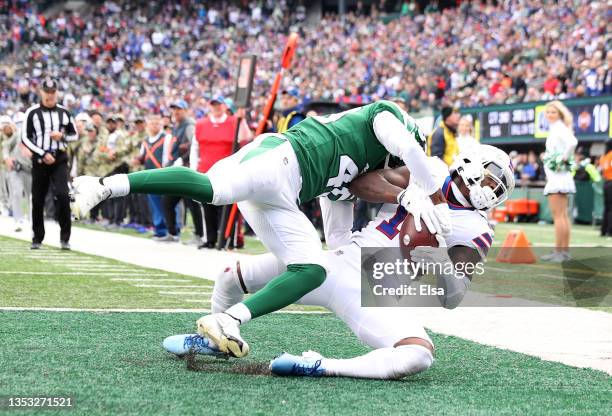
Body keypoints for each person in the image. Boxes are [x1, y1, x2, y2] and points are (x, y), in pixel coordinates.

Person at [72, 100, 452, 358]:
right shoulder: (388, 118)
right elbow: (412, 150)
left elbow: (338, 229)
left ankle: (225, 323)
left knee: (313, 269)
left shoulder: (358, 173)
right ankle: (105, 185)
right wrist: (427, 196)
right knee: (214, 190)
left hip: (284, 197)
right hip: (280, 157)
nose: (403, 173)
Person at [163, 145, 515, 379]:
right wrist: (407, 196)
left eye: (500, 187)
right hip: (339, 262)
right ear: (468, 165)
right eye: (490, 177)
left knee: (418, 355)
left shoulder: (477, 228)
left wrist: (437, 259)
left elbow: (453, 296)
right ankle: (215, 339)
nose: (493, 190)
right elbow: (363, 182)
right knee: (229, 276)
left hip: (377, 289)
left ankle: (318, 365)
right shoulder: (429, 172)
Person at [21, 77, 77, 250]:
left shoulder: (64, 112)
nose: (50, 96)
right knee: (38, 199)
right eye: (47, 92)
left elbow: (74, 135)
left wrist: (62, 137)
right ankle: (37, 237)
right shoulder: (32, 112)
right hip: (40, 160)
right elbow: (25, 137)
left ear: (57, 93)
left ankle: (65, 238)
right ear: (41, 92)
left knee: (62, 195)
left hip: (59, 159)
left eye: (53, 92)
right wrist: (42, 153)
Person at [190, 95, 252, 248]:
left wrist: (242, 120)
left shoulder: (233, 122)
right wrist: (193, 168)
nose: (216, 107)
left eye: (219, 104)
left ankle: (228, 239)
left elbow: (246, 137)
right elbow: (195, 147)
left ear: (224, 106)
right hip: (206, 170)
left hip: (227, 172)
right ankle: (210, 239)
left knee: (227, 206)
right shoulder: (201, 124)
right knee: (207, 206)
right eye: (214, 104)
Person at [161, 99, 203, 244]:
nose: (175, 111)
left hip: (186, 170)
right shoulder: (177, 126)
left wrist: (182, 159)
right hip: (176, 169)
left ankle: (199, 235)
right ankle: (173, 234)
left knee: (192, 203)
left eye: (178, 109)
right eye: (173, 109)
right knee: (167, 201)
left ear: (185, 110)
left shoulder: (189, 126)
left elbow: (194, 146)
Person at [131, 114, 180, 239]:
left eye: (157, 123)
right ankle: (160, 230)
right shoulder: (146, 141)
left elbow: (167, 156)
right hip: (149, 176)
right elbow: (143, 156)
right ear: (148, 125)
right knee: (155, 204)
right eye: (152, 123)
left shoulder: (166, 138)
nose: (155, 125)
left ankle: (173, 229)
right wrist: (137, 160)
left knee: (167, 204)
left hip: (162, 175)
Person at [541, 100, 577, 262]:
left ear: (560, 114)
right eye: (548, 112)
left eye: (553, 112)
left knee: (559, 216)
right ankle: (563, 251)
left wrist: (562, 159)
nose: (550, 115)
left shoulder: (560, 128)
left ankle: (559, 252)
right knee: (563, 215)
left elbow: (573, 143)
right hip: (559, 177)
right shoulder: (557, 128)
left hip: (557, 177)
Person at [1, 116, 32, 231]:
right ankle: (18, 220)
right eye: (18, 123)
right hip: (16, 168)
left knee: (31, 196)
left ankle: (31, 219)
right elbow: (5, 146)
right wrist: (6, 157)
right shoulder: (16, 136)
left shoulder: (33, 135)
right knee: (16, 192)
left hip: (30, 168)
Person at [599, 140, 612, 237]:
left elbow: (601, 170)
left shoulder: (603, 157)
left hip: (606, 183)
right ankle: (610, 231)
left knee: (607, 208)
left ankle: (603, 230)